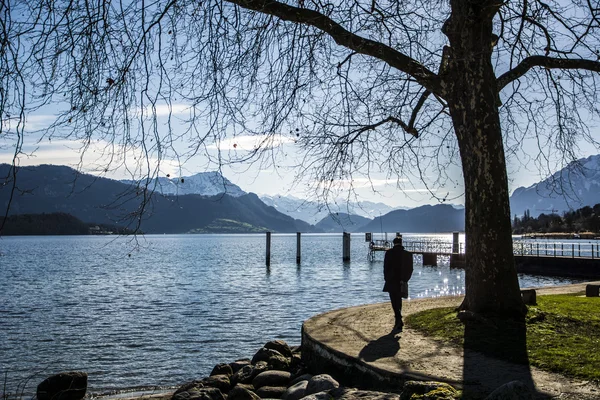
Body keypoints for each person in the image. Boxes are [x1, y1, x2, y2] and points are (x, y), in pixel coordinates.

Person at [383, 236, 413, 332]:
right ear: (401, 243)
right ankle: (398, 319)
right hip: (402, 280)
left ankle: (398, 318)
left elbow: (385, 267)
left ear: (393, 243)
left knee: (393, 299)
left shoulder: (389, 253)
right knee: (399, 299)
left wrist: (386, 278)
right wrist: (405, 279)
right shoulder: (407, 254)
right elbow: (410, 269)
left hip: (391, 280)